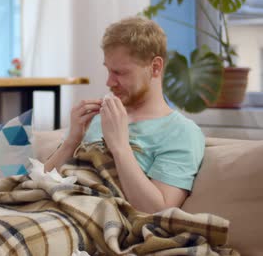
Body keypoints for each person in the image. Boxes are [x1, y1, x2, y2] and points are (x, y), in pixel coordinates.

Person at [44, 16, 205, 214]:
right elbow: (40, 182)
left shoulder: (181, 132)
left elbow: (157, 211)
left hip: (93, 219)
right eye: (108, 70)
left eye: (120, 73)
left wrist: (120, 147)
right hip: (52, 207)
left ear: (155, 67)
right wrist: (72, 140)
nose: (109, 82)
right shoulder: (97, 118)